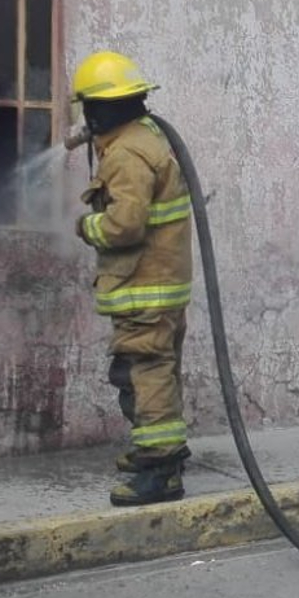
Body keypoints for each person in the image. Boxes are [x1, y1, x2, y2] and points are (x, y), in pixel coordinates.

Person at [71, 50, 193, 507]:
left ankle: (161, 471)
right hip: (160, 284)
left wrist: (87, 227)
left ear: (100, 108)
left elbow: (124, 225)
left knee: (146, 370)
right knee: (156, 369)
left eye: (88, 107)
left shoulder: (126, 153)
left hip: (145, 287)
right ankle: (160, 450)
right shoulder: (148, 136)